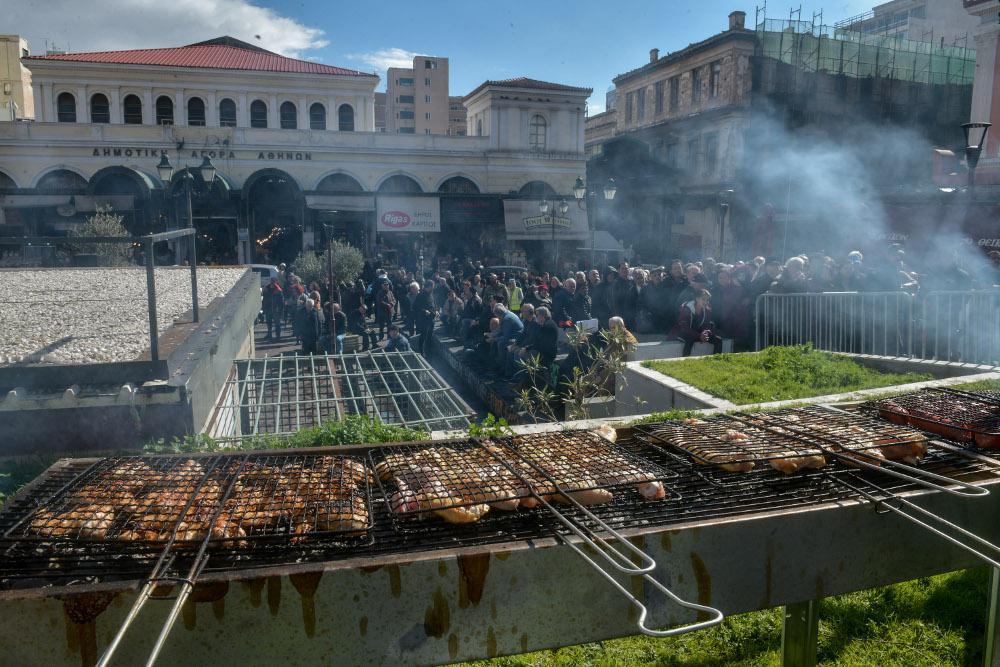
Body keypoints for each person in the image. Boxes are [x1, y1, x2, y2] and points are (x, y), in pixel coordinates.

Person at [668, 289, 722, 356]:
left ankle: (716, 361)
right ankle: (685, 361)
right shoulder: (686, 309)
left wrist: (706, 333)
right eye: (703, 299)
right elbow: (685, 328)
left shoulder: (707, 309)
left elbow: (707, 325)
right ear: (697, 299)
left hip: (699, 334)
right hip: (683, 333)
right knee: (689, 340)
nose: (706, 302)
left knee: (718, 340)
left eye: (707, 300)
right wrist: (699, 336)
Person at [413, 280, 438, 354]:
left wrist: (436, 310)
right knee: (423, 335)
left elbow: (434, 303)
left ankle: (429, 350)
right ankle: (421, 351)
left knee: (430, 335)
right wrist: (424, 311)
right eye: (432, 286)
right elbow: (415, 306)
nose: (433, 288)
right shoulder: (421, 295)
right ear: (429, 286)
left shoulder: (431, 293)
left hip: (432, 318)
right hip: (424, 319)